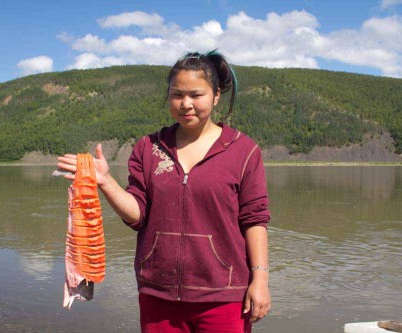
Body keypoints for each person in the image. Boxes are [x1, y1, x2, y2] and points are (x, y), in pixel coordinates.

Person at [57, 50, 271, 333]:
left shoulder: (243, 151)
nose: (186, 104)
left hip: (224, 295)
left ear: (216, 96)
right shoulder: (148, 148)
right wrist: (105, 181)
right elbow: (137, 215)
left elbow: (254, 220)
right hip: (158, 293)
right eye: (177, 94)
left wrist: (261, 280)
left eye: (196, 95)